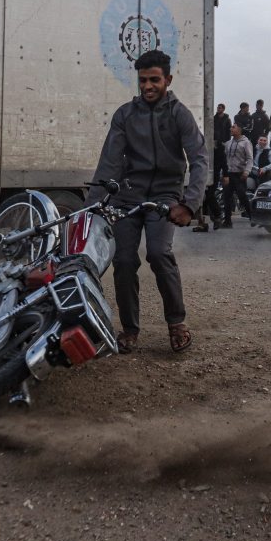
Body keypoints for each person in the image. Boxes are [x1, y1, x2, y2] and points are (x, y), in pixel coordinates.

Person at [88, 50, 208, 354]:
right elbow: (109, 163)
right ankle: (129, 329)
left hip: (165, 195)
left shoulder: (180, 115)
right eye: (143, 80)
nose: (147, 86)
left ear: (168, 79)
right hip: (128, 195)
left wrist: (189, 204)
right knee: (123, 260)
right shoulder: (125, 115)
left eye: (154, 80)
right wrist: (91, 208)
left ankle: (177, 323)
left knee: (158, 253)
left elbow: (199, 160)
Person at [193, 103, 230, 232]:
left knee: (209, 195)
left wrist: (226, 174)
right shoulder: (200, 142)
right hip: (202, 172)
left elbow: (223, 160)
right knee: (201, 196)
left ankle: (217, 216)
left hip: (213, 173)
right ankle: (204, 221)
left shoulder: (218, 145)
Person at [222, 122, 253, 227]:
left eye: (233, 127)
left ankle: (252, 217)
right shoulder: (228, 143)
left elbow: (250, 159)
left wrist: (246, 171)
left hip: (240, 174)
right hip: (229, 174)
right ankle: (227, 222)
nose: (231, 129)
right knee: (226, 197)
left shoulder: (246, 143)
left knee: (242, 196)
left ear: (239, 130)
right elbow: (225, 158)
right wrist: (224, 173)